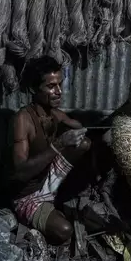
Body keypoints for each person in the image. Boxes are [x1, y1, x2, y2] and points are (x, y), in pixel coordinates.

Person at [8, 58, 91, 245]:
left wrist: (74, 127)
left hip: (47, 180)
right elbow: (20, 173)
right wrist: (59, 143)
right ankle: (32, 214)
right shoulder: (23, 120)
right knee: (64, 231)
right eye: (51, 86)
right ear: (33, 89)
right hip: (27, 195)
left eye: (60, 85)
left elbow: (79, 127)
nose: (59, 91)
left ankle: (56, 199)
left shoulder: (52, 112)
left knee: (83, 143)